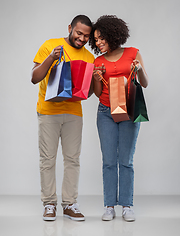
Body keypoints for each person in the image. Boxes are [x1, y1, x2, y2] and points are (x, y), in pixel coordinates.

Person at [31, 15, 94, 221]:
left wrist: (95, 79)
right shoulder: (50, 45)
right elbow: (34, 77)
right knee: (47, 159)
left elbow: (87, 93)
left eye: (86, 36)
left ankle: (70, 204)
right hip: (48, 111)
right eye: (79, 33)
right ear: (70, 28)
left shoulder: (88, 57)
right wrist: (51, 57)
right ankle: (49, 204)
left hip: (74, 113)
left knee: (72, 160)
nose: (82, 38)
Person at [89, 15, 148, 222]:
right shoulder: (98, 61)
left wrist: (139, 70)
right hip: (105, 112)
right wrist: (97, 79)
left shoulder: (133, 53)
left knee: (126, 161)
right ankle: (109, 205)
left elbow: (145, 83)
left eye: (101, 38)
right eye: (95, 40)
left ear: (112, 34)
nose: (98, 42)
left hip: (129, 110)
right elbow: (97, 93)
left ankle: (127, 205)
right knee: (108, 161)